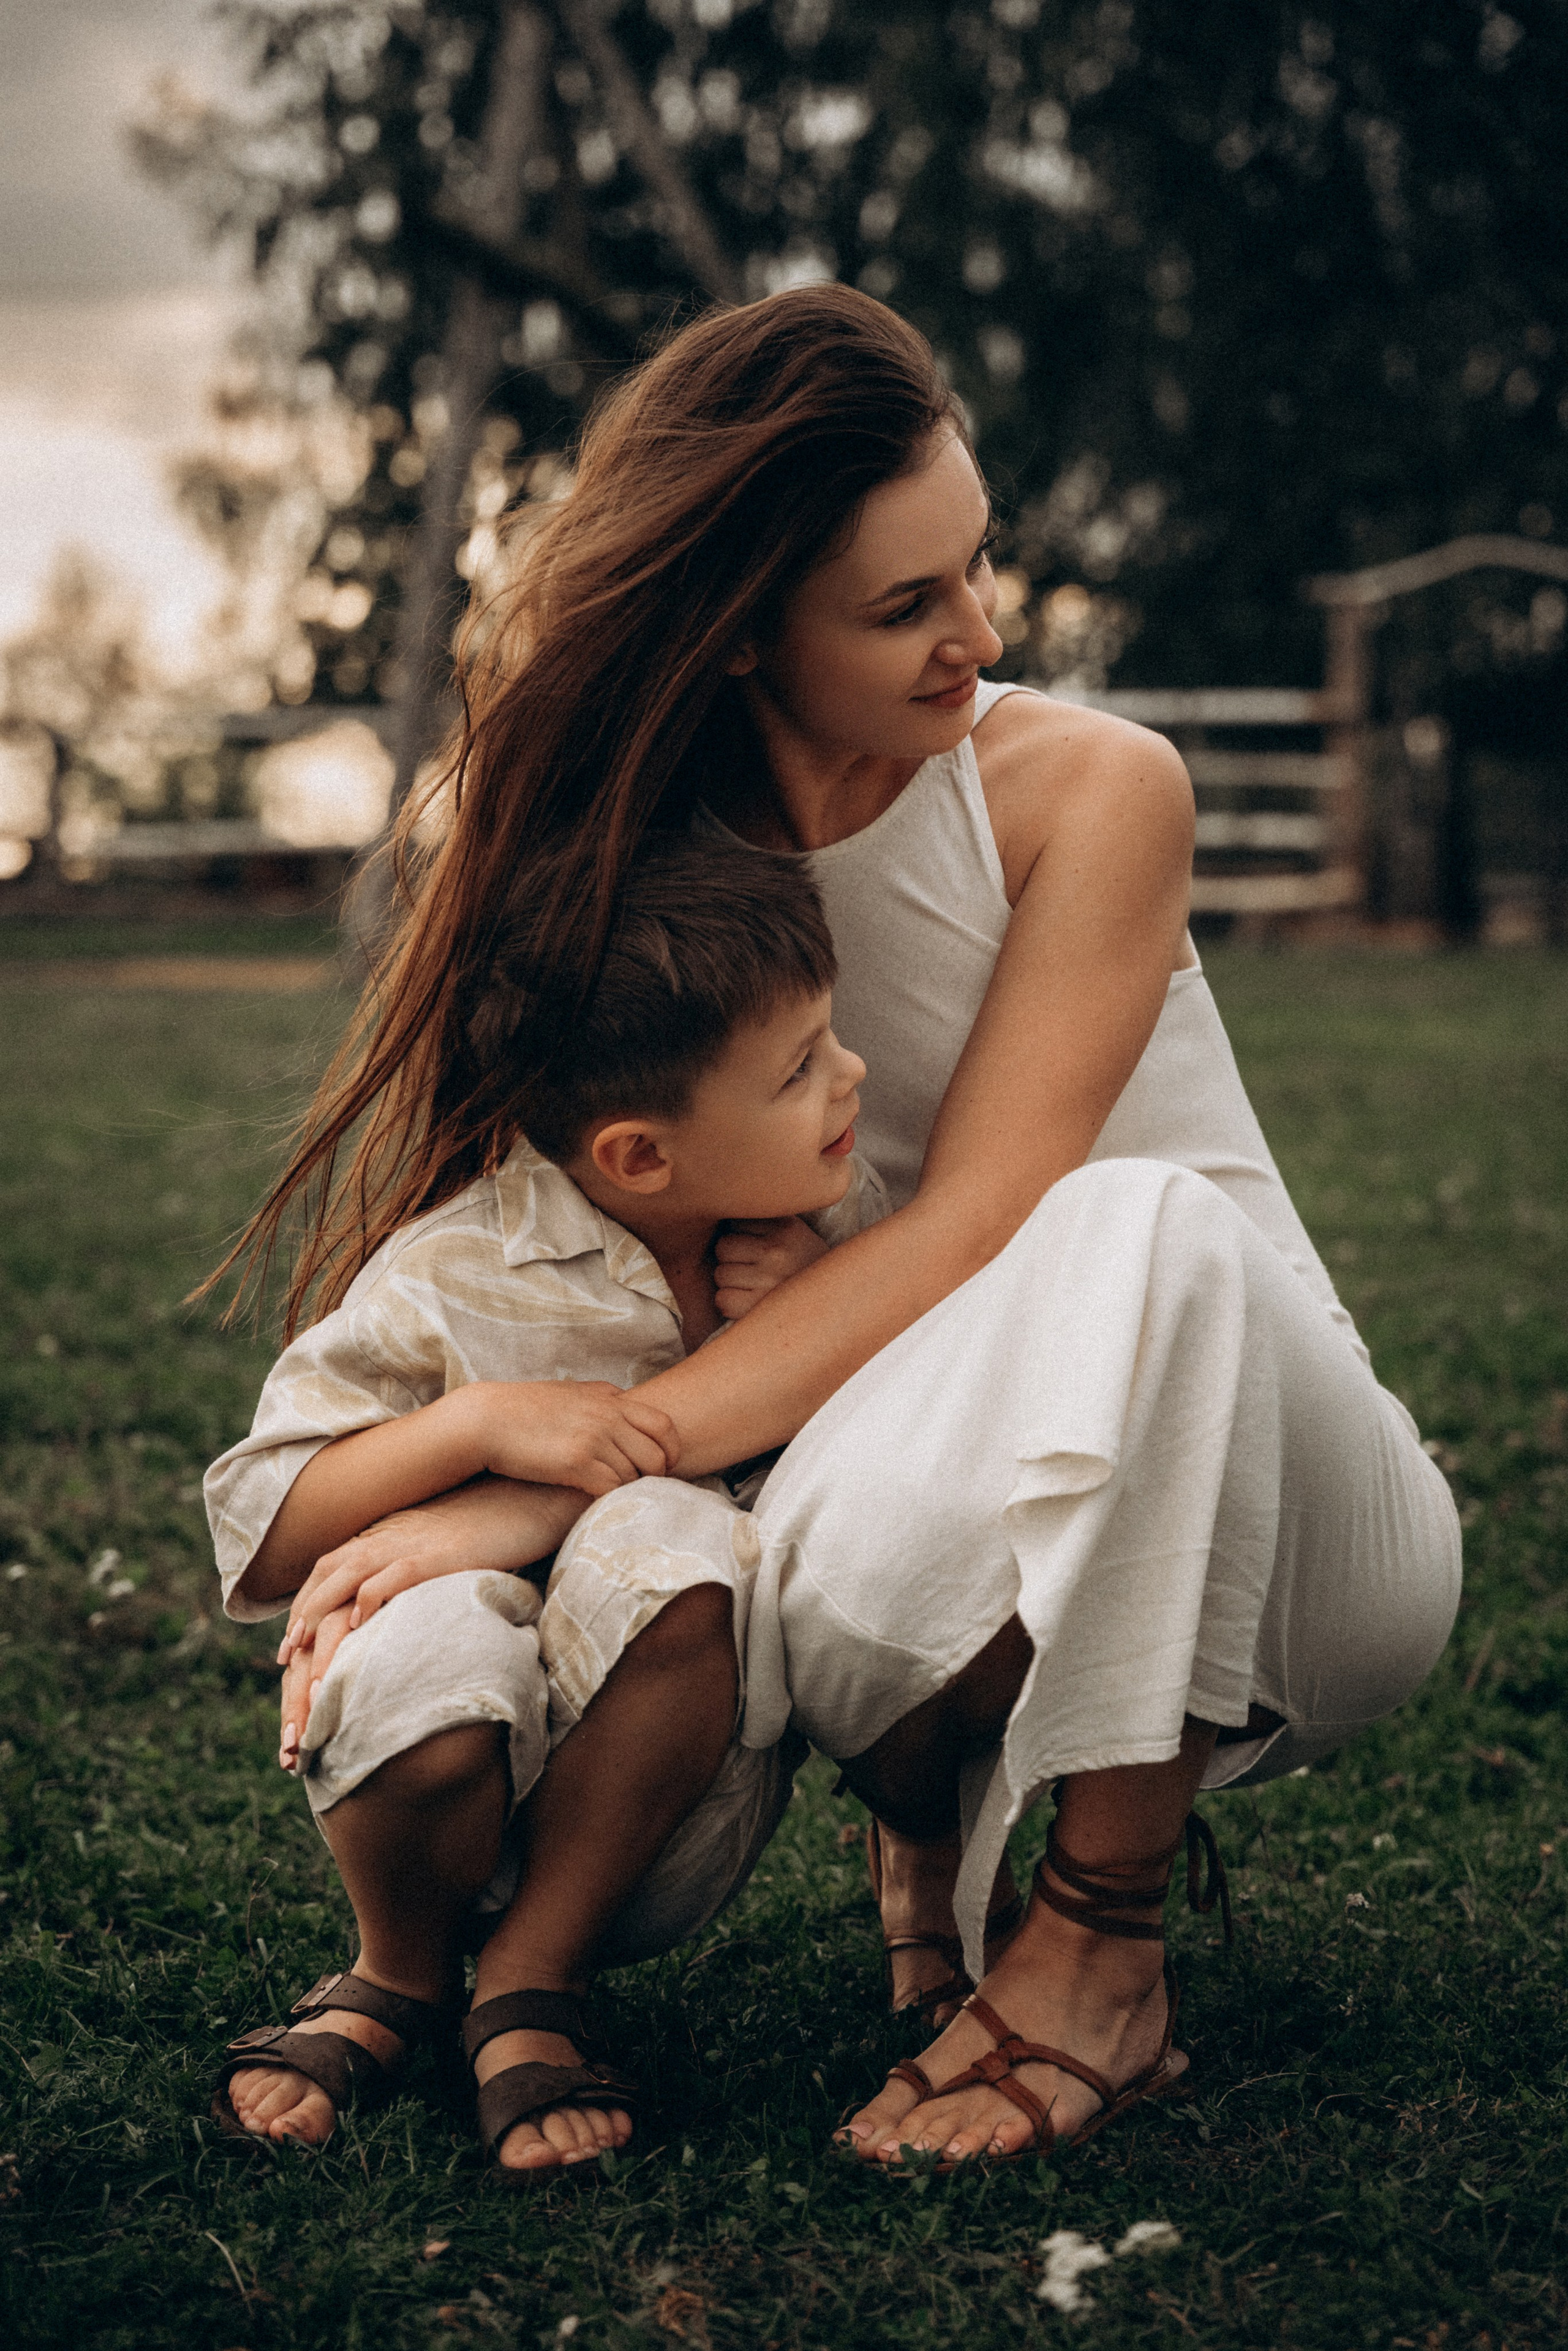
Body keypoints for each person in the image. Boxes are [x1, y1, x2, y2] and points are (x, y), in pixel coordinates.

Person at [220, 283, 1461, 2178]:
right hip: (862, 1484)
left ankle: (1101, 1950)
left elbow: (979, 1218)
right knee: (793, 1539)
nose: (980, 634)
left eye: (979, 567)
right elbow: (544, 1235)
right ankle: (893, 1827)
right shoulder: (558, 839)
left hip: (1292, 1518)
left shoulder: (1089, 791)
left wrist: (528, 1485)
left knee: (1132, 1221)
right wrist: (485, 1484)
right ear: (731, 637)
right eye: (906, 606)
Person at [204, 838, 895, 2160]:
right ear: (637, 1154)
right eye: (799, 1065)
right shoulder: (458, 1264)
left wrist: (823, 1315)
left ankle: (532, 1977)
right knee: (444, 1619)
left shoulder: (836, 1240)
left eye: (831, 1034)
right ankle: (396, 1972)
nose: (851, 1073)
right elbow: (269, 1517)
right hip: (421, 1782)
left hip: (664, 1795)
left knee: (674, 1540)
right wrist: (473, 1424)